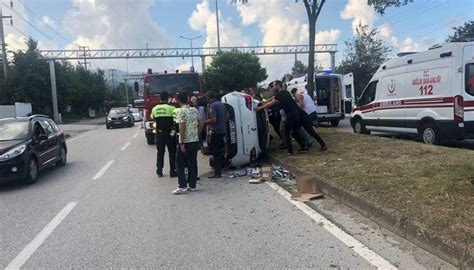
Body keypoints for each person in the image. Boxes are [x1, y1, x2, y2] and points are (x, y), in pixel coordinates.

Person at [255, 80, 306, 155]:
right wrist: (262, 103)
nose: (273, 87)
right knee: (294, 132)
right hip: (294, 114)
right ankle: (304, 147)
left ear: (278, 86)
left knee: (287, 133)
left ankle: (290, 151)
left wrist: (260, 108)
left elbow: (271, 103)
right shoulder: (284, 92)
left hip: (291, 114)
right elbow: (271, 99)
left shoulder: (281, 93)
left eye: (274, 86)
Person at [172, 92, 204, 195]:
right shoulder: (194, 110)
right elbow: (202, 122)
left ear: (178, 100)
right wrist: (197, 133)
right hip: (195, 140)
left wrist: (182, 142)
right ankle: (192, 186)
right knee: (193, 163)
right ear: (187, 99)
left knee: (180, 163)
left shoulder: (181, 111)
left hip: (186, 141)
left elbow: (182, 126)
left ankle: (182, 186)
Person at [150, 92, 177, 178]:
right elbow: (175, 120)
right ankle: (172, 171)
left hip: (160, 133)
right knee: (172, 152)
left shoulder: (155, 109)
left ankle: (159, 171)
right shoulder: (172, 108)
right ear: (168, 98)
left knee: (160, 152)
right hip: (170, 133)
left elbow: (152, 118)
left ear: (160, 98)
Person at [204, 90, 226, 178]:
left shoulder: (213, 105)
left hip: (216, 131)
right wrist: (222, 123)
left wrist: (204, 122)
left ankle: (217, 172)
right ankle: (222, 167)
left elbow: (213, 119)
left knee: (215, 152)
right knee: (219, 151)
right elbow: (227, 116)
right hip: (222, 130)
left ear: (209, 97)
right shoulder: (221, 104)